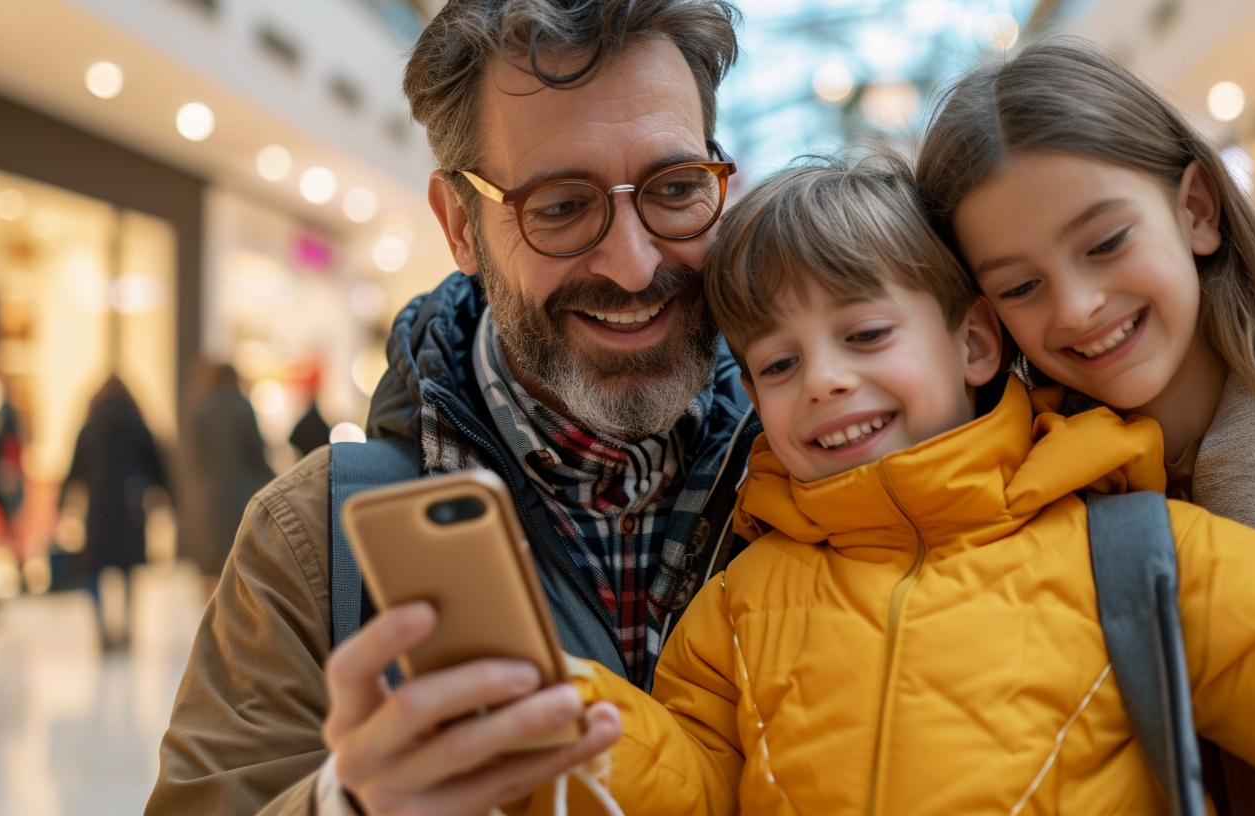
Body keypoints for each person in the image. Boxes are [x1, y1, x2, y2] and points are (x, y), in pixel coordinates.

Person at [533, 153, 1255, 816]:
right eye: (776, 364)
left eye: (864, 336)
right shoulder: (734, 609)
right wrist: (569, 715)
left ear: (974, 343)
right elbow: (691, 789)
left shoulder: (1133, 551)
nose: (821, 380)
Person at [145, 1, 757, 814]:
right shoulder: (317, 543)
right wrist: (347, 804)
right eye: (561, 207)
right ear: (460, 225)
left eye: (675, 188)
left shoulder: (833, 479)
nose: (635, 265)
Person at [913, 35, 1255, 814]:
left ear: (1196, 210)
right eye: (1022, 285)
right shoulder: (1024, 555)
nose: (1076, 306)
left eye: (1105, 242)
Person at [61, 375, 169, 649]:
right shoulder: (138, 426)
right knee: (128, 571)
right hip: (130, 508)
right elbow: (157, 467)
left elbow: (75, 471)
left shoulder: (89, 428)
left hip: (98, 510)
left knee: (93, 572)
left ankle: (102, 630)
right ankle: (127, 628)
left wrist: (62, 505)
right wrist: (167, 498)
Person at [179, 362, 274, 593]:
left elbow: (194, 458)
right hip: (240, 494)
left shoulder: (201, 410)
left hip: (210, 497)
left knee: (210, 560)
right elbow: (257, 453)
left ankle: (210, 613)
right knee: (236, 555)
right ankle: (233, 612)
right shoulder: (242, 407)